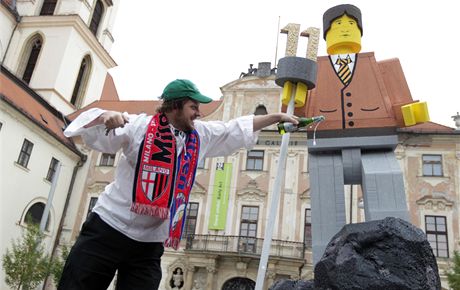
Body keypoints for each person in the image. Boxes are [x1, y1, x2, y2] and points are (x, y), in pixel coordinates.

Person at [58, 79, 298, 290]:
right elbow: (98, 136)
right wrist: (104, 117)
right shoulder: (140, 126)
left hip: (149, 243)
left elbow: (232, 129)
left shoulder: (199, 135)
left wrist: (276, 117)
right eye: (193, 107)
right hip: (109, 229)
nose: (199, 113)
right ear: (174, 106)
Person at [304, 4, 429, 264]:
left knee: (387, 193)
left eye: (351, 24)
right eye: (337, 25)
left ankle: (396, 263)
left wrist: (412, 112)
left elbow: (402, 105)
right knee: (326, 209)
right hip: (325, 146)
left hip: (377, 143)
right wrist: (291, 89)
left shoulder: (383, 68)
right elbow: (294, 110)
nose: (345, 29)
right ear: (327, 35)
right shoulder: (313, 72)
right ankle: (327, 266)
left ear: (360, 32)